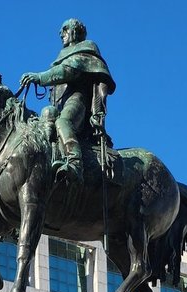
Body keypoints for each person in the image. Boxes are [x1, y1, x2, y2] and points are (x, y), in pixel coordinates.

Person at [20, 18, 116, 183]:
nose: (61, 34)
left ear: (76, 31)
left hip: (78, 100)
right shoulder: (62, 56)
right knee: (45, 115)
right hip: (59, 103)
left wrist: (39, 77)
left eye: (65, 29)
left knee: (63, 122)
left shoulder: (86, 48)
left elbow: (67, 71)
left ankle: (74, 163)